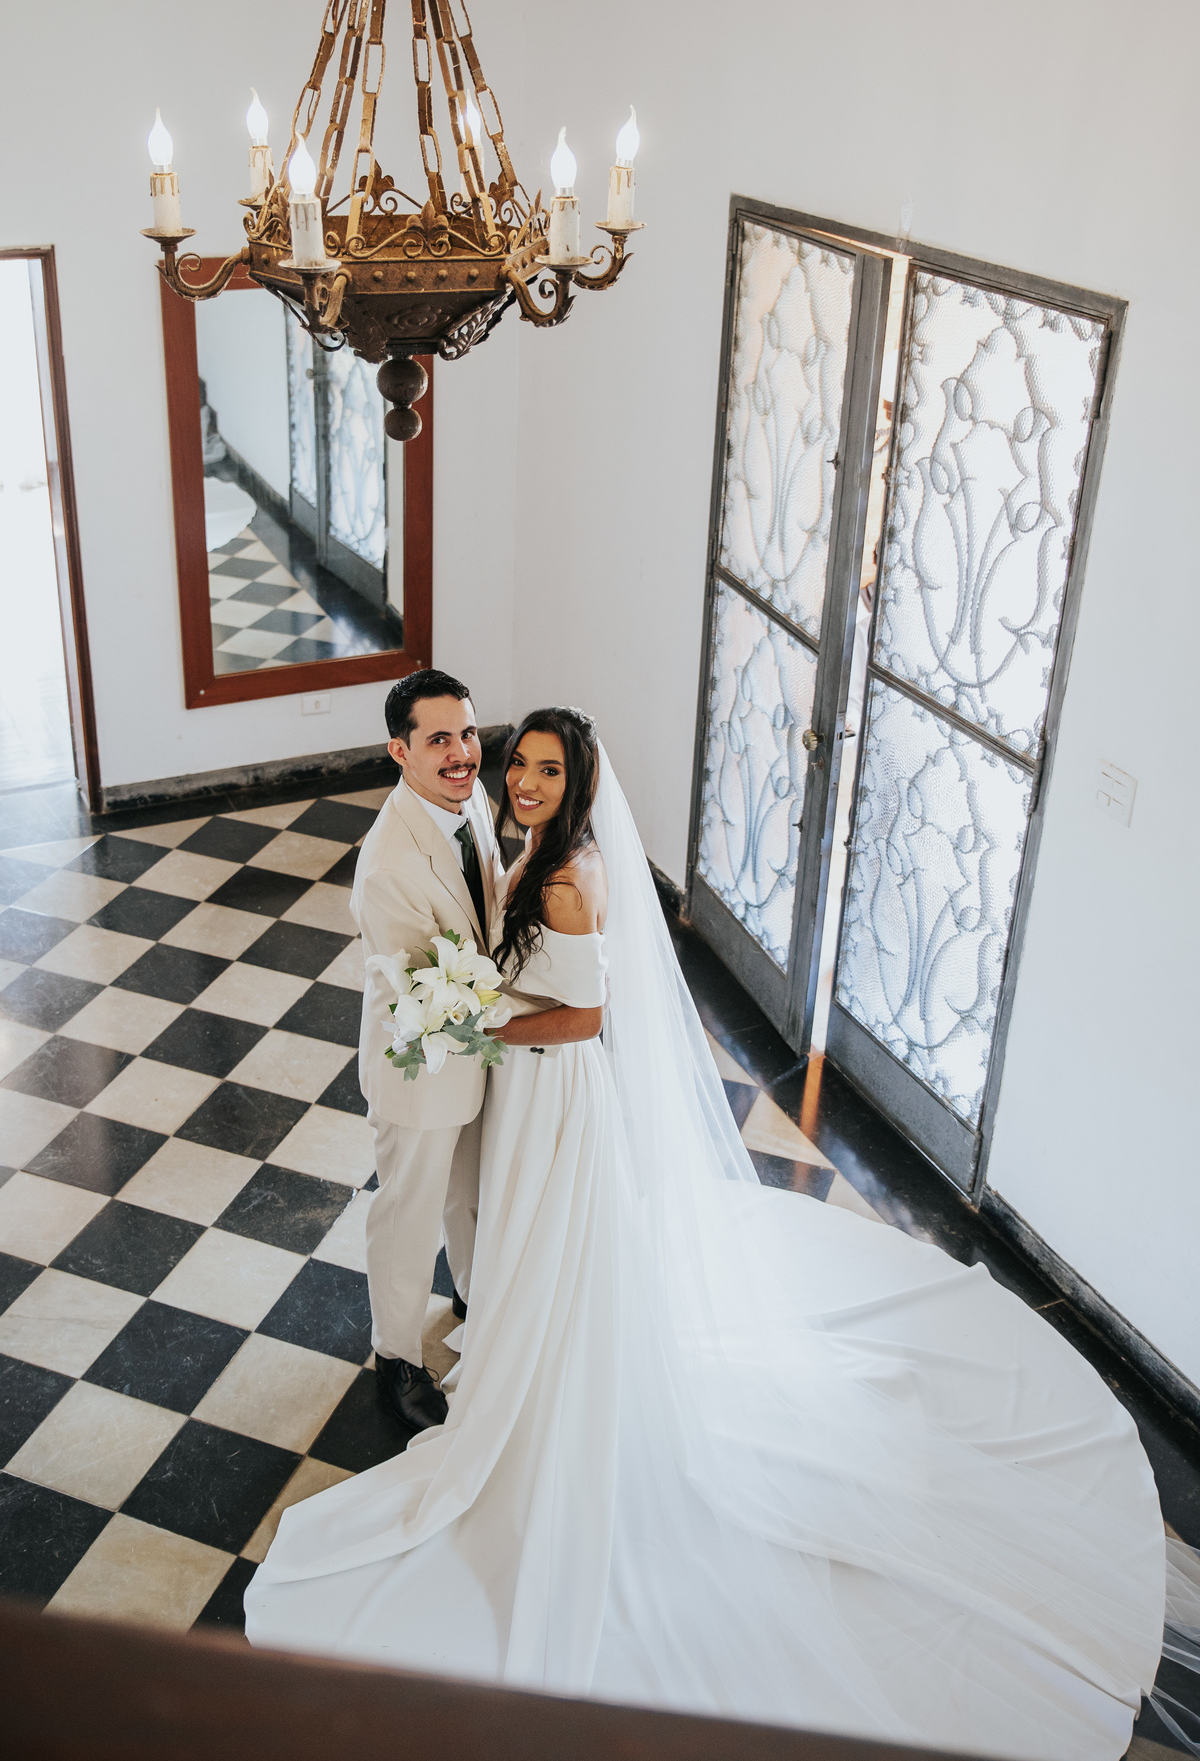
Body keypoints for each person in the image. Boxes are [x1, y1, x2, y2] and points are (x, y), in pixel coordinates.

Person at [247, 708, 1200, 1760]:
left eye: (546, 769)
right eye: (520, 764)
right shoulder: (538, 846)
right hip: (528, 1089)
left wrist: (478, 1019)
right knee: (536, 1245)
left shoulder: (566, 879)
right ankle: (532, 1352)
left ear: (579, 780)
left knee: (558, 1245)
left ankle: (552, 1397)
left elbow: (585, 1018)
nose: (521, 781)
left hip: (553, 1089)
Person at [348, 670, 502, 1432]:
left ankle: (474, 1296)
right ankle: (398, 1357)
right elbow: (434, 995)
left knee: (470, 1189)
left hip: (479, 1052)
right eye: (439, 739)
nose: (461, 753)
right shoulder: (389, 867)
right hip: (424, 1061)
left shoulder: (470, 799)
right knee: (409, 1215)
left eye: (467, 733)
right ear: (399, 751)